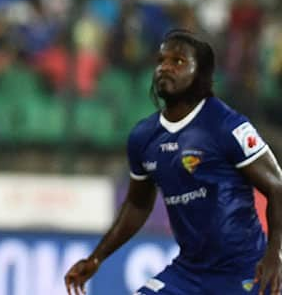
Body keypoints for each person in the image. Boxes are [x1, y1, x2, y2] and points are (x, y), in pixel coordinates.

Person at [65, 30, 282, 295]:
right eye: (161, 60)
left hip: (246, 270)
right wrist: (97, 257)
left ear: (200, 73)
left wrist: (275, 254)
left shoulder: (226, 125)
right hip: (188, 273)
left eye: (178, 61)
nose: (165, 67)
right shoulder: (144, 137)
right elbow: (137, 203)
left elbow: (277, 187)